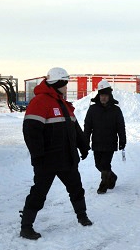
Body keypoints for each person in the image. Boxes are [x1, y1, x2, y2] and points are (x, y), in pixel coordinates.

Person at [20, 67, 92, 240]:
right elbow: (31, 131)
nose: (67, 87)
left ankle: (82, 216)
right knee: (39, 193)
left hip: (67, 158)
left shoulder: (63, 104)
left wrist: (83, 146)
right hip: (47, 160)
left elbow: (75, 128)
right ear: (57, 84)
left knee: (76, 188)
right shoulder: (40, 102)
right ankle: (26, 227)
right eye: (65, 84)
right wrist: (37, 156)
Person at [84, 79, 126, 194]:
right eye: (102, 95)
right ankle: (112, 177)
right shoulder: (93, 109)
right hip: (97, 142)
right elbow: (87, 126)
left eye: (106, 95)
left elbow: (121, 126)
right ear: (99, 96)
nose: (103, 98)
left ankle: (103, 185)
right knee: (98, 164)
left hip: (110, 142)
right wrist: (85, 140)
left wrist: (123, 140)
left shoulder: (116, 110)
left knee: (105, 164)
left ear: (109, 96)